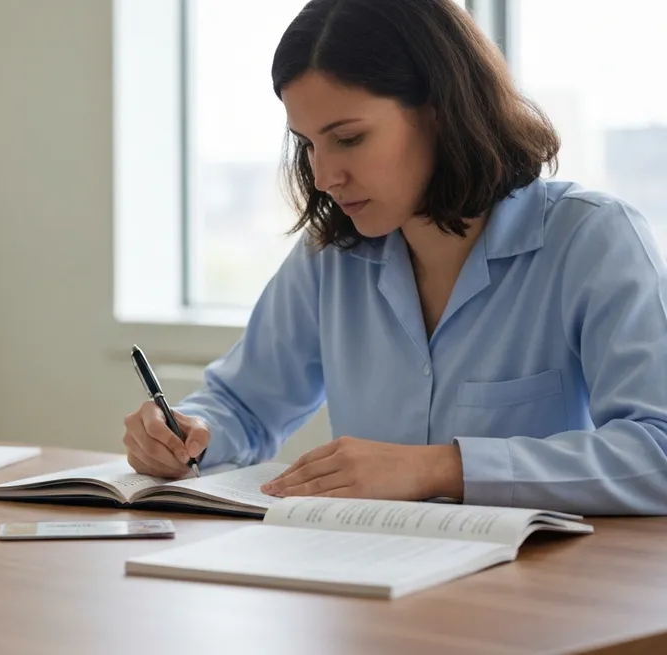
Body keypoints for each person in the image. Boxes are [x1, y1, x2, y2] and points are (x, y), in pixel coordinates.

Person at [121, 0, 667, 516]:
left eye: (349, 138)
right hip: (370, 570)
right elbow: (242, 405)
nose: (324, 177)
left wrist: (440, 468)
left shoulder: (592, 239)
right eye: (308, 144)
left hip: (547, 577)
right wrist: (187, 432)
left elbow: (657, 450)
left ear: (441, 111)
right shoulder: (329, 257)